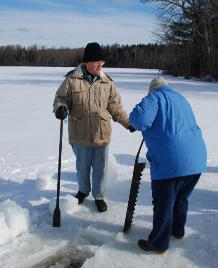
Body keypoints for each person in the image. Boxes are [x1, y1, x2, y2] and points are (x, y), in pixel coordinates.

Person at [53, 42, 135, 212]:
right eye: (97, 62)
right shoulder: (71, 80)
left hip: (101, 134)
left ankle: (99, 196)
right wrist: (60, 109)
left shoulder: (107, 82)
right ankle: (83, 191)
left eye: (102, 62)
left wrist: (129, 124)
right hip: (79, 134)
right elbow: (60, 99)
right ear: (87, 62)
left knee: (100, 169)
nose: (100, 65)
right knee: (82, 167)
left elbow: (116, 108)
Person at [129, 76, 207, 253]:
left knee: (164, 202)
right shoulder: (181, 98)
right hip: (196, 160)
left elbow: (139, 120)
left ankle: (158, 243)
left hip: (172, 161)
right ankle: (177, 230)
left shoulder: (154, 97)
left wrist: (134, 121)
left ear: (152, 89)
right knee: (181, 198)